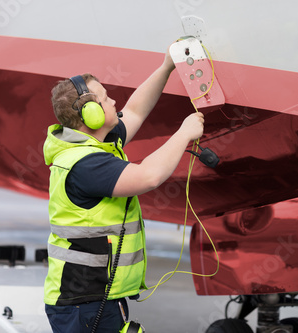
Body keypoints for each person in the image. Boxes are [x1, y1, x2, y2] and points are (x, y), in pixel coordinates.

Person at [42, 45, 204, 332]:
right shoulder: (86, 164)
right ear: (90, 115)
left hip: (97, 298)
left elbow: (135, 111)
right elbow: (148, 177)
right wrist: (185, 133)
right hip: (85, 304)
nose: (115, 101)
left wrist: (166, 66)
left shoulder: (88, 144)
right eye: (106, 98)